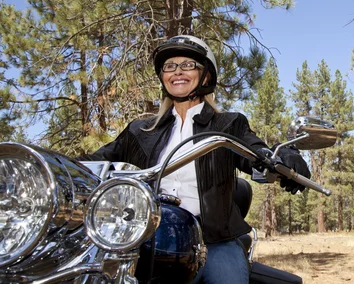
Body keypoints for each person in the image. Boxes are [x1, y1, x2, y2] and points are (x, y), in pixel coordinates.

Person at [80, 35, 311, 284]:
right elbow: (95, 162)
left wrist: (283, 156)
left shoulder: (228, 124)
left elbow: (256, 153)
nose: (177, 72)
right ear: (162, 76)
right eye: (170, 66)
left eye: (188, 65)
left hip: (214, 239)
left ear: (206, 76)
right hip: (147, 235)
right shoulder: (140, 131)